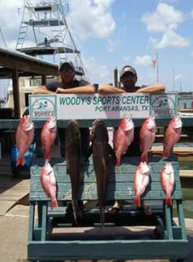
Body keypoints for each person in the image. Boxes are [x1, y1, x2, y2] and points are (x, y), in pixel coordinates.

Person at [99, 65, 165, 213]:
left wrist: (140, 92)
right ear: (121, 80)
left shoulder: (141, 90)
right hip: (121, 137)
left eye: (131, 76)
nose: (128, 79)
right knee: (118, 169)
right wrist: (122, 92)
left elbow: (161, 87)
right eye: (125, 77)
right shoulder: (117, 92)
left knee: (141, 170)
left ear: (136, 78)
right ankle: (117, 203)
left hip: (140, 139)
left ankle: (140, 202)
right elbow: (102, 89)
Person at [33, 61, 95, 157]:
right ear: (59, 73)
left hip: (82, 130)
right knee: (67, 160)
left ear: (74, 72)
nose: (66, 73)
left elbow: (91, 89)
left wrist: (65, 92)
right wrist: (55, 95)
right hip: (64, 132)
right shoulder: (55, 85)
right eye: (63, 70)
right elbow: (36, 91)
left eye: (69, 70)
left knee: (84, 159)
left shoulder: (80, 83)